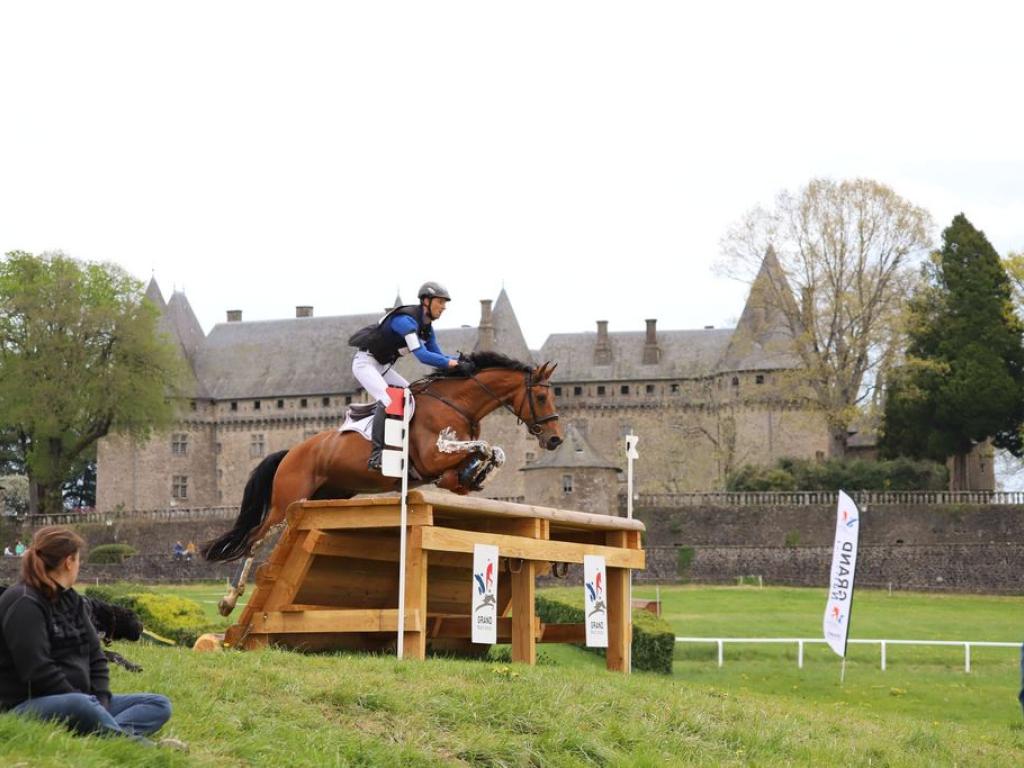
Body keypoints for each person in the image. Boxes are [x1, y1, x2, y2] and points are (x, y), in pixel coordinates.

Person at [0, 526, 184, 749]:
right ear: (69, 561)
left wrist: (102, 699)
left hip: (83, 701)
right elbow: (37, 671)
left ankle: (102, 734)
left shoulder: (72, 601)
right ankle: (137, 745)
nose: (79, 565)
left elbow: (96, 657)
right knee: (81, 705)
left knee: (158, 704)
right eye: (79, 560)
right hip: (25, 705)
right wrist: (84, 701)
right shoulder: (23, 602)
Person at [349, 282, 467, 470]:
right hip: (365, 364)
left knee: (410, 396)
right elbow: (422, 356)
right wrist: (451, 363)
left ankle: (405, 446)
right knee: (388, 401)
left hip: (383, 367)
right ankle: (376, 455)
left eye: (445, 303)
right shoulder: (405, 321)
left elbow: (438, 355)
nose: (444, 307)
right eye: (440, 302)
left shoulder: (426, 328)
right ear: (426, 301)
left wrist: (462, 361)